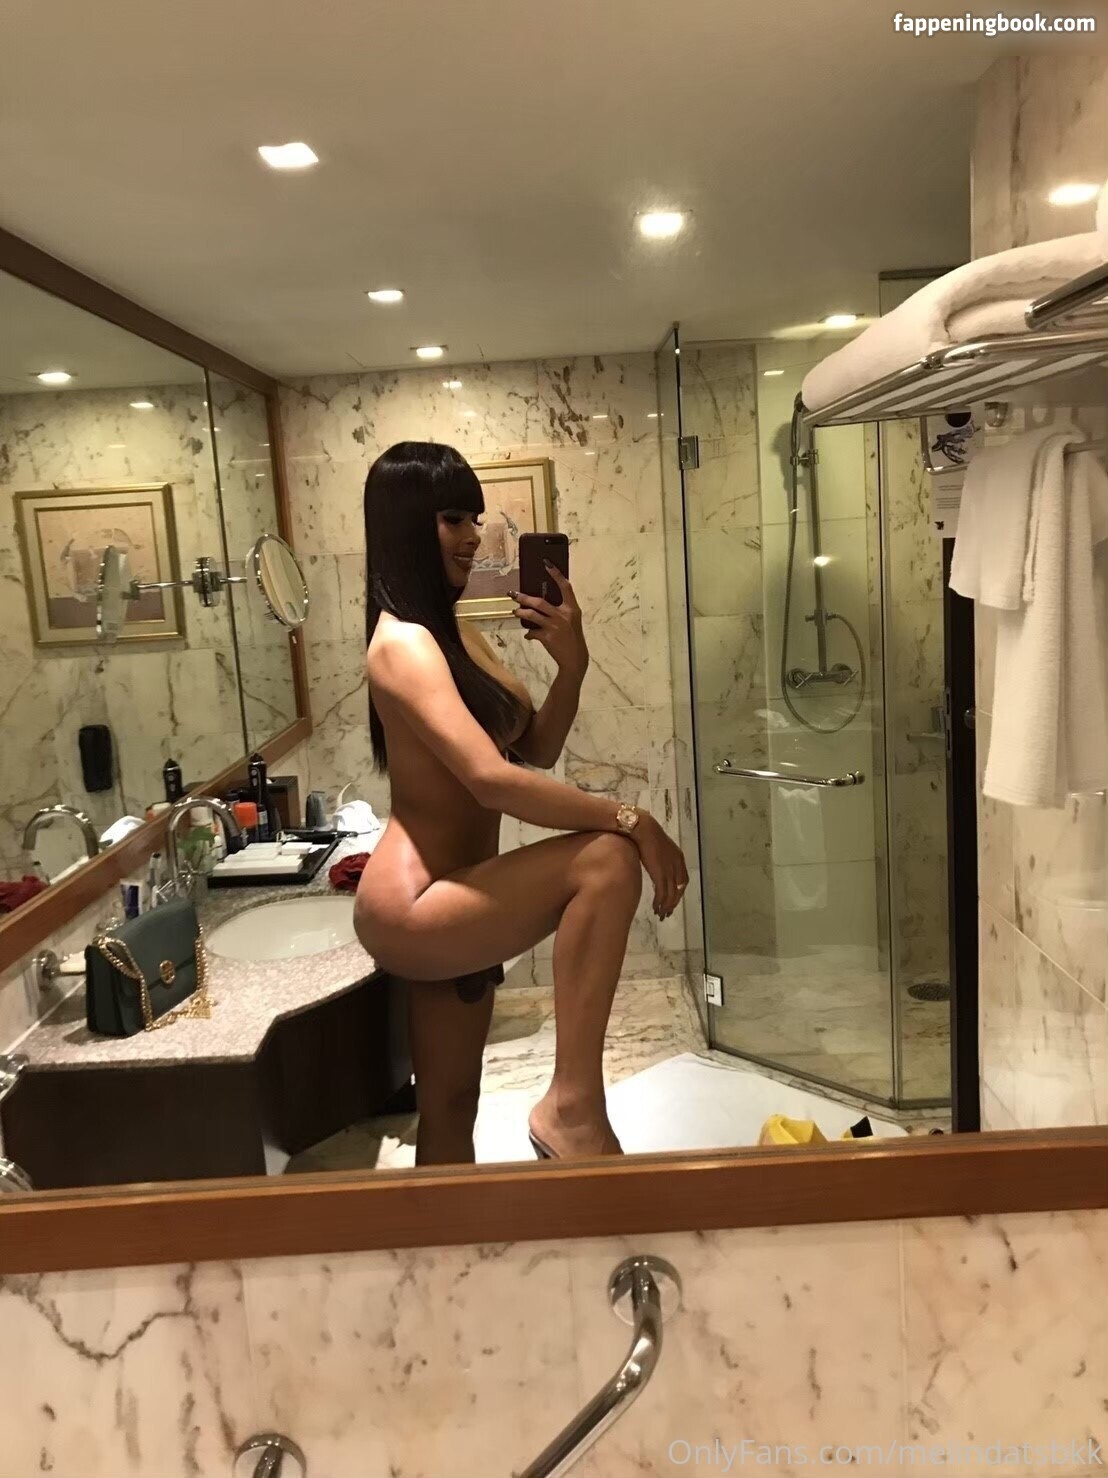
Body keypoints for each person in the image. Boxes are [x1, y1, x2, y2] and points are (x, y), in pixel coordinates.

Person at [354, 441, 688, 1166]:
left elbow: (532, 749)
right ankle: (573, 1109)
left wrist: (574, 666)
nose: (473, 536)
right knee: (606, 859)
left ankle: (452, 1235)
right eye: (452, 518)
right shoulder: (401, 644)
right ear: (406, 524)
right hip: (417, 902)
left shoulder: (455, 634)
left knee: (451, 1107)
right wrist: (631, 818)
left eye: (474, 519)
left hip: (464, 891)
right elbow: (489, 779)